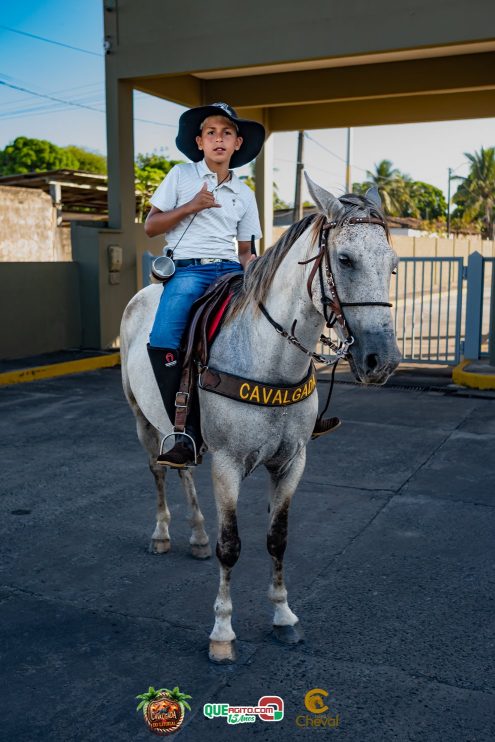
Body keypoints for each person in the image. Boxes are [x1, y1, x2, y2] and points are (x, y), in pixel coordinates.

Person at [145, 102, 265, 468]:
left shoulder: (244, 192)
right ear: (199, 142)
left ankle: (296, 412)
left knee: (279, 318)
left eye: (226, 133)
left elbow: (246, 251)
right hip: (188, 271)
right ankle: (186, 433)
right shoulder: (181, 176)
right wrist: (191, 206)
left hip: (230, 270)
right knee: (163, 338)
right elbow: (151, 226)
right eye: (211, 133)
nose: (218, 139)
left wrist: (257, 271)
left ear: (237, 143)